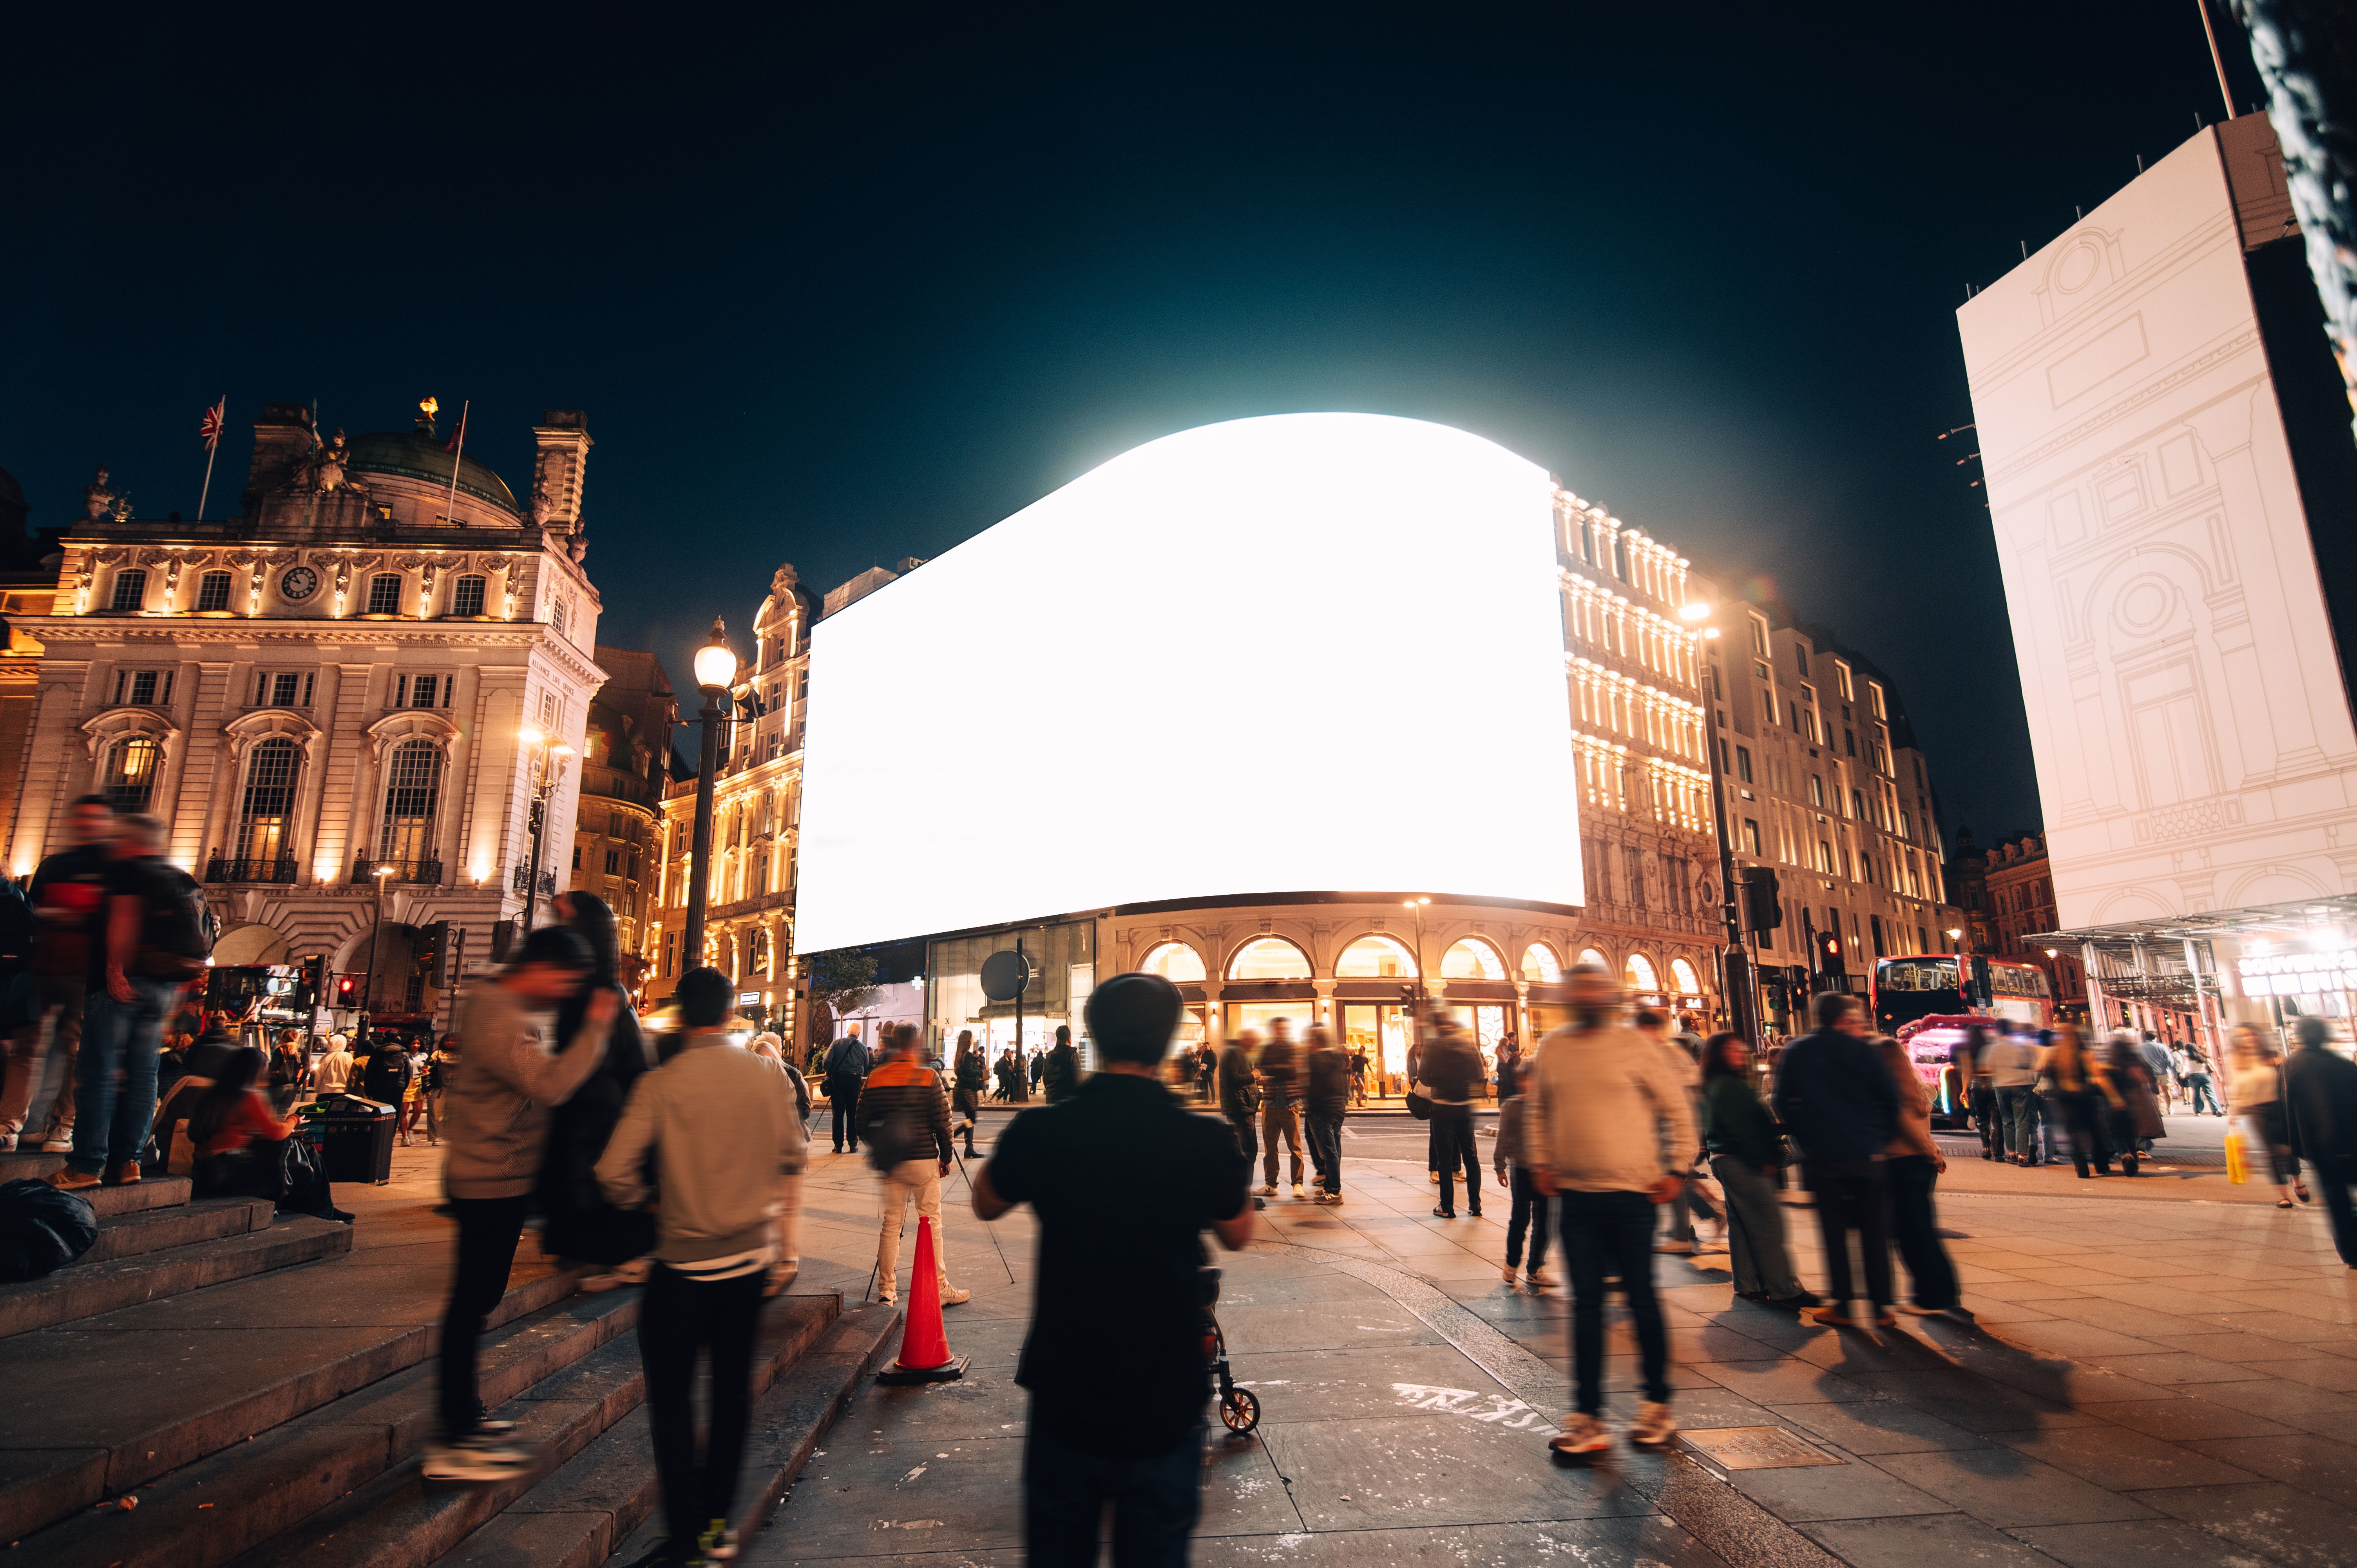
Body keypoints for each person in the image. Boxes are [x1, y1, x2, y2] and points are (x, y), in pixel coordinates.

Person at [972, 972, 1251, 1567]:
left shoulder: (1046, 1127)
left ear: (1096, 1038)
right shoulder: (1202, 1137)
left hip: (1067, 1380)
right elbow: (1240, 1231)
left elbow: (986, 1200)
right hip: (1166, 1385)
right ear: (1169, 1041)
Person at [597, 966, 805, 1566]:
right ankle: (718, 1526)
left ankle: (686, 1531)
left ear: (684, 1013)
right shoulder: (767, 1073)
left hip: (681, 1264)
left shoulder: (662, 1084)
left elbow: (612, 1172)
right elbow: (793, 1153)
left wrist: (653, 1198)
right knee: (732, 1397)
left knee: (672, 1400)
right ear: (731, 1010)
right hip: (746, 1265)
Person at [424, 925, 614, 1482]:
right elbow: (551, 1082)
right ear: (542, 966)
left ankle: (464, 1416)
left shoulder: (509, 1004)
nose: (565, 991)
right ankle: (453, 1435)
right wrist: (596, 1028)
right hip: (488, 1178)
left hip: (499, 1176)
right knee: (470, 1302)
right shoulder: (501, 1010)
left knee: (477, 1298)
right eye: (565, 979)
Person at [1524, 964, 1693, 1455]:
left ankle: (1657, 1406)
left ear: (1610, 996)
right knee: (1586, 1306)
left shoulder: (1634, 1044)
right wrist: (1541, 1160)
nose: (1587, 996)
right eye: (1578, 989)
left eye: (1595, 988)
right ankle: (1588, 1417)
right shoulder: (1553, 1046)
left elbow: (1676, 1107)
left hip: (1631, 1192)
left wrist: (1677, 1166)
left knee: (1641, 1297)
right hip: (1576, 1194)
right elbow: (1540, 1109)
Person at [49, 815, 200, 1191]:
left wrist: (116, 973)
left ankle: (86, 1165)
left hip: (121, 987)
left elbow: (123, 921)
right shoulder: (180, 879)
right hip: (161, 988)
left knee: (98, 1076)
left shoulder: (129, 872)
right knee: (143, 1075)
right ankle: (128, 1162)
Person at [538, 891, 657, 1288]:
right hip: (593, 1111)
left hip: (591, 1113)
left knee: (588, 1181)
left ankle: (598, 1253)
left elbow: (632, 1067)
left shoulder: (598, 999)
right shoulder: (604, 995)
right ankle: (596, 1251)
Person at [1771, 991, 1899, 1330]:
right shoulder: (1864, 1050)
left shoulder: (1797, 1050)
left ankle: (1843, 1304)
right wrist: (1878, 1139)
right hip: (1867, 1154)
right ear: (1841, 1017)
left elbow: (1783, 1101)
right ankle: (1880, 1306)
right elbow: (1889, 1099)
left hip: (1824, 1157)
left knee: (1834, 1232)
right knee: (1874, 1231)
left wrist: (1805, 1138)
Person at [0, 795, 114, 1153]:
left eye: (94, 820)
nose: (86, 825)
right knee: (28, 1048)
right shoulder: (54, 865)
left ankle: (63, 1127)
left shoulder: (113, 870)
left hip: (88, 974)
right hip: (45, 968)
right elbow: (33, 915)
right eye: (82, 818)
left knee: (76, 1052)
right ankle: (8, 1126)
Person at [861, 1022, 969, 1308]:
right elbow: (943, 1122)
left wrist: (881, 1146)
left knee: (891, 1224)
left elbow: (861, 1122)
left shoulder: (876, 1076)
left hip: (893, 1162)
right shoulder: (928, 1076)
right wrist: (945, 1157)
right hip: (922, 1159)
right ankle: (939, 1285)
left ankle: (887, 1290)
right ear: (916, 1041)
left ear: (893, 1043)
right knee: (932, 1222)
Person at [1700, 1032, 1811, 1308]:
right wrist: (1763, 1158)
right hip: (1741, 1160)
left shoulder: (1718, 1083)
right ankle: (1785, 1288)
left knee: (1741, 1224)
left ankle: (1749, 1284)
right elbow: (1743, 1128)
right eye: (1731, 1049)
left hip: (1726, 1158)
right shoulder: (1728, 1086)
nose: (1739, 1052)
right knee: (1767, 1224)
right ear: (1718, 1054)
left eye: (1740, 1047)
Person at [181, 1043, 347, 1220]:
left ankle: (322, 1207)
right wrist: (294, 1119)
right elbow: (276, 1132)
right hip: (231, 1171)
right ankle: (323, 1209)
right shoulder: (245, 1095)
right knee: (305, 1150)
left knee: (296, 1152)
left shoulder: (214, 1094)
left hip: (205, 1169)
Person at [1875, 1031, 1959, 1313]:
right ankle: (1944, 1291)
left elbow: (1908, 1129)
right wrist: (1934, 1154)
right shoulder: (1916, 1086)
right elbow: (1924, 1128)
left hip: (1903, 1164)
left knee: (1912, 1234)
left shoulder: (1891, 1091)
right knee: (1923, 1230)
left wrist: (1929, 1151)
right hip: (1921, 1166)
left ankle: (1930, 1296)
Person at [2281, 1016, 2357, 1269]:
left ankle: (2350, 1252)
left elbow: (2287, 1105)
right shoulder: (2342, 1064)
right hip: (2349, 1141)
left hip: (2317, 1147)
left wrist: (2296, 1145)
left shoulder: (2291, 1064)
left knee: (2338, 1203)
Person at [2227, 1024, 2304, 1206]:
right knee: (2271, 1154)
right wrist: (2234, 1111)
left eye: (2250, 1035)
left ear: (2257, 1037)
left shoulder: (2274, 1055)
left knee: (2288, 1148)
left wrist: (2281, 1066)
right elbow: (2237, 1087)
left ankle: (2298, 1182)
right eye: (2242, 1037)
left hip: (2280, 1106)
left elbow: (2291, 1078)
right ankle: (2284, 1196)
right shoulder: (2239, 1061)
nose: (2247, 1039)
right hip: (2256, 1111)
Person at [1492, 1058, 1551, 1287]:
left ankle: (1535, 1268)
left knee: (1544, 1222)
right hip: (1522, 1171)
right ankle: (1511, 1265)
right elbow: (1503, 1138)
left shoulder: (1548, 1106)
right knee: (1520, 1219)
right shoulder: (1512, 1107)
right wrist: (1500, 1167)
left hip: (1545, 1170)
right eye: (1527, 1080)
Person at [1421, 1017, 1484, 1219]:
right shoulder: (1468, 1043)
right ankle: (1475, 1205)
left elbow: (1423, 1076)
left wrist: (1439, 1081)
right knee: (1471, 1158)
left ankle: (1447, 1207)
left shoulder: (1433, 1044)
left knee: (1445, 1161)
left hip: (1442, 1108)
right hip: (1465, 1108)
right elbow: (1480, 1073)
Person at [1255, 1017, 1307, 1199]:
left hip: (1289, 1103)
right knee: (1270, 1147)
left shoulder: (1293, 1048)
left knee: (1295, 1147)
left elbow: (1294, 1070)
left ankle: (1298, 1184)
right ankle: (1270, 1184)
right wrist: (1261, 1075)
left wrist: (1273, 1072)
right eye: (1277, 1028)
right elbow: (1259, 1069)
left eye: (1283, 1028)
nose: (1280, 1031)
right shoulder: (1267, 1049)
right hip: (1269, 1104)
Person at [2103, 1033, 2164, 1177]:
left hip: (2113, 1103)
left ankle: (2125, 1156)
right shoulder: (2135, 1059)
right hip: (2133, 1103)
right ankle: (2134, 1160)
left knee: (2115, 1134)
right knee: (2130, 1133)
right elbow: (2148, 1073)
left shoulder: (2109, 1063)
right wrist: (2152, 1086)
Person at [1301, 1022, 1349, 1206]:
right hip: (1337, 1110)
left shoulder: (1315, 1059)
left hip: (1321, 1111)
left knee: (1329, 1153)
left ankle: (1335, 1192)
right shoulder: (1337, 1057)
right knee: (1335, 1151)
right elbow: (1343, 1084)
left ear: (1315, 1041)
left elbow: (1310, 1086)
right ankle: (1330, 1187)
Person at [1986, 1023, 2041, 1166]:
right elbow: (2029, 1065)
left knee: (2006, 1119)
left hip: (2000, 1085)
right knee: (2021, 1120)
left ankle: (2011, 1154)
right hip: (2019, 1084)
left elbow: (1989, 1067)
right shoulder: (2021, 1046)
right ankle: (2022, 1155)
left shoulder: (1994, 1048)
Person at [1217, 1027, 1260, 1172]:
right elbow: (1233, 1078)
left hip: (1243, 1107)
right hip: (1241, 1107)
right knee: (1249, 1152)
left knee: (1245, 1151)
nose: (1255, 1046)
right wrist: (1253, 1075)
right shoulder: (1233, 1053)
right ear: (1247, 1040)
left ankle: (1242, 1190)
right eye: (1254, 1042)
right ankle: (1243, 1192)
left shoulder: (1238, 1052)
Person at [822, 1028, 870, 1154]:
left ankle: (838, 1146)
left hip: (838, 1080)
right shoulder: (863, 1047)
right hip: (855, 1081)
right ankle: (853, 1144)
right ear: (858, 1033)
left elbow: (827, 1061)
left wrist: (830, 1070)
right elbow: (866, 1064)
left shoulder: (837, 1043)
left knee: (838, 1114)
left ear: (849, 1031)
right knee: (853, 1113)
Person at [951, 1030, 987, 1158]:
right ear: (969, 1040)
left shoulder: (961, 1055)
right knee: (972, 1119)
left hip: (961, 1090)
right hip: (967, 1091)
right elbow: (970, 1072)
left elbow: (963, 1073)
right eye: (972, 1037)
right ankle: (952, 1135)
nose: (973, 1039)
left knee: (970, 1119)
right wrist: (980, 1071)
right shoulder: (968, 1056)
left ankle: (969, 1149)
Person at [1042, 1024, 1081, 1105]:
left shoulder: (1049, 1056)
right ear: (1069, 1039)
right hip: (1068, 1100)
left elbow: (1045, 1077)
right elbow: (1078, 1080)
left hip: (1051, 1099)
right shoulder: (1073, 1056)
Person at [311, 1032, 355, 1098]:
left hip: (324, 1092)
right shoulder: (347, 1056)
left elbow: (318, 1076)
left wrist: (317, 1089)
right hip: (342, 1092)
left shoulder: (324, 1058)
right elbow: (350, 1075)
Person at [2182, 1042, 2221, 1116]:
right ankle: (2217, 1110)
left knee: (2197, 1093)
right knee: (2210, 1093)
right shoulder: (2203, 1056)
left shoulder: (2188, 1058)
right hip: (2205, 1076)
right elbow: (2213, 1066)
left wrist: (2183, 1073)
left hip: (2194, 1077)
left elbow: (2185, 1066)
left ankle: (2198, 1111)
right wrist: (2219, 1076)